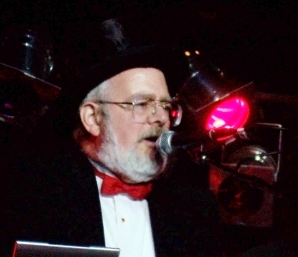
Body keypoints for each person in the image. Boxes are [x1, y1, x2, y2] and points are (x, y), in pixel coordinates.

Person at [0, 17, 224, 257]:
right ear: (93, 119)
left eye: (165, 106)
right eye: (142, 103)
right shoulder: (30, 194)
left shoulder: (194, 209)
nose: (160, 118)